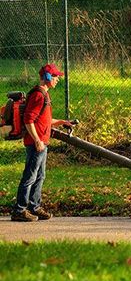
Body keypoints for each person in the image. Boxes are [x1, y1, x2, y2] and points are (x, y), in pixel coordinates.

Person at [11, 63, 71, 222]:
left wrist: (62, 122)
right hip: (36, 143)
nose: (58, 79)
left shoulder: (44, 94)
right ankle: (19, 209)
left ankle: (34, 207)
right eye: (56, 76)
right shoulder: (38, 95)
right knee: (30, 176)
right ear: (47, 77)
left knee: (40, 176)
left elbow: (44, 119)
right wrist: (37, 140)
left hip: (42, 142)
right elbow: (28, 119)